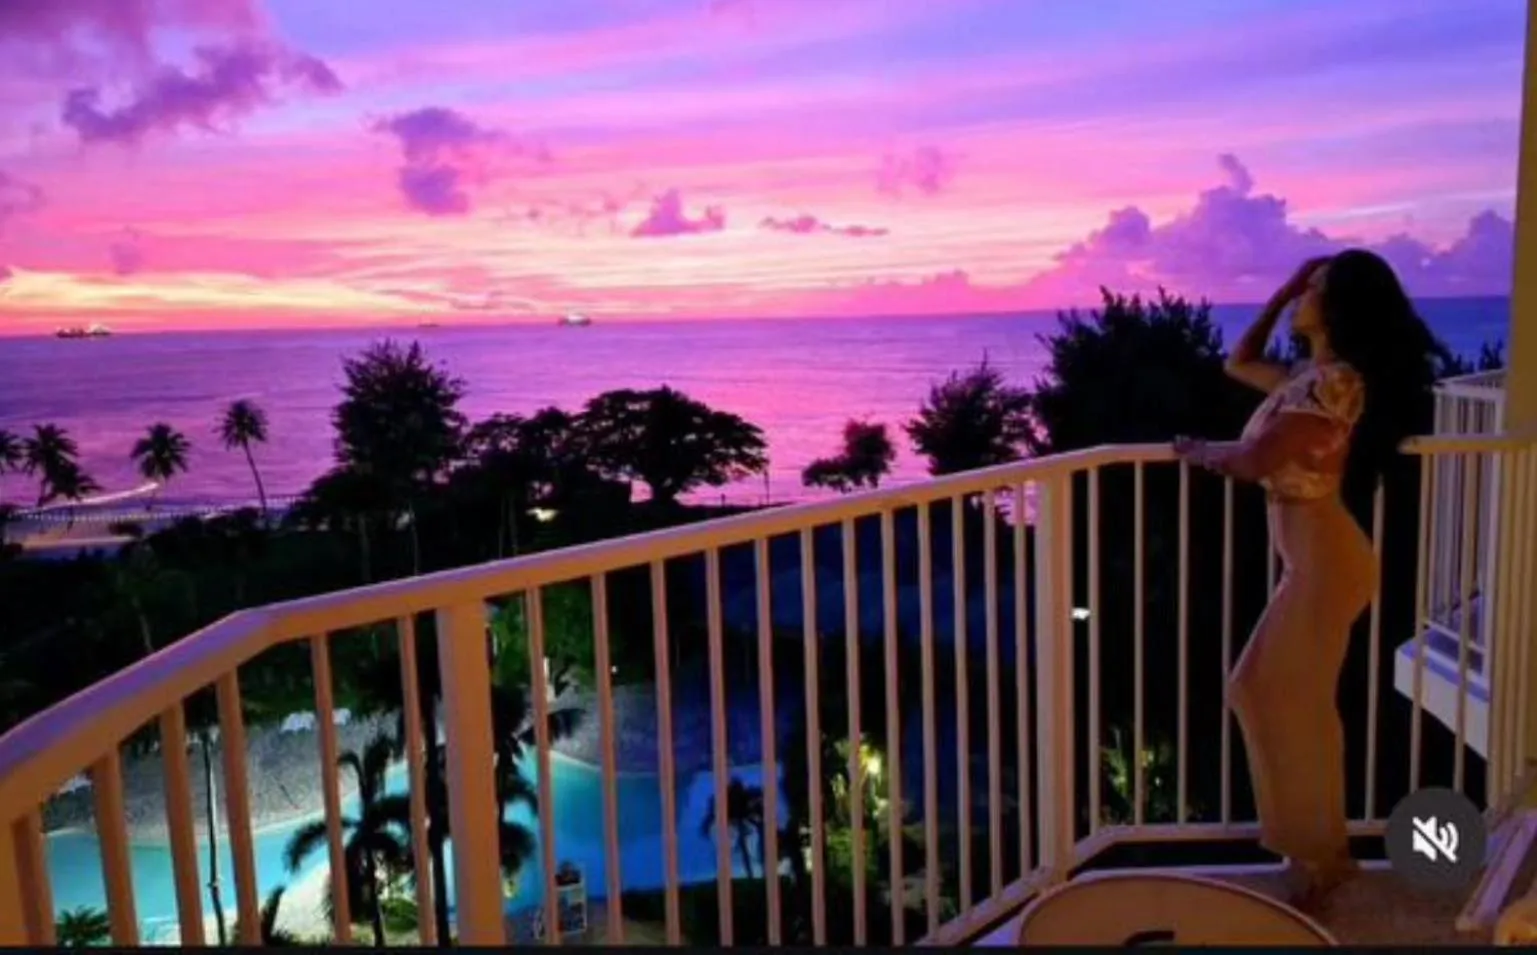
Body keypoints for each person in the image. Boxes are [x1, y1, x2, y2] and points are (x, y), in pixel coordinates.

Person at [1173, 249, 1438, 910]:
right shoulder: (1304, 378)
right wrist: (1284, 285)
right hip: (1312, 559)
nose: (1301, 296)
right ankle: (1322, 853)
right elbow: (1236, 362)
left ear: (1340, 306)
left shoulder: (1335, 383)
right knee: (1272, 693)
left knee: (1277, 696)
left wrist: (1200, 453)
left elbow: (1257, 458)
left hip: (1325, 560)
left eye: (1314, 288)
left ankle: (1315, 858)